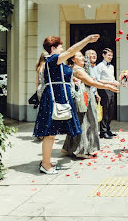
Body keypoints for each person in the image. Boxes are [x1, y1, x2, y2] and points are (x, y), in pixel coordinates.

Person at [33, 34, 100, 175]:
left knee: (52, 133)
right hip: (52, 99)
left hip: (58, 98)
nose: (62, 49)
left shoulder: (57, 62)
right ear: (53, 48)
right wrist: (87, 40)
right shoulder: (52, 59)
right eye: (60, 46)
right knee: (49, 134)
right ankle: (45, 164)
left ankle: (47, 162)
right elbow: (70, 51)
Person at [62, 52, 119, 159]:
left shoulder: (79, 69)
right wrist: (109, 87)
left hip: (85, 96)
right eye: (79, 56)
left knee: (80, 122)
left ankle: (69, 148)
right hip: (83, 98)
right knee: (86, 123)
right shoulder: (78, 70)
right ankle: (82, 150)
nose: (82, 58)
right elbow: (92, 83)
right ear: (73, 59)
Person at [97, 48, 119, 139]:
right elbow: (98, 79)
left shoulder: (111, 67)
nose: (111, 57)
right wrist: (109, 83)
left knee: (111, 110)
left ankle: (108, 129)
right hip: (104, 89)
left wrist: (118, 82)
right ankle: (103, 132)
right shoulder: (100, 66)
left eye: (111, 55)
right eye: (109, 55)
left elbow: (112, 79)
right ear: (103, 55)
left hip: (111, 89)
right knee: (105, 111)